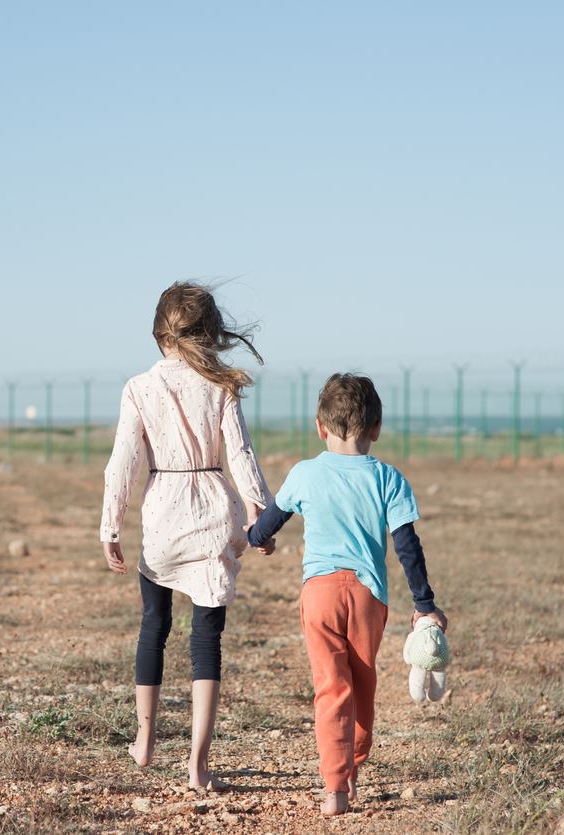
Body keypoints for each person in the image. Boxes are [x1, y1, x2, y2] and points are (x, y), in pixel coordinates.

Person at [246, 372, 448, 816]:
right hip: (367, 596)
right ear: (377, 428)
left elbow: (266, 526)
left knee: (330, 687)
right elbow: (407, 546)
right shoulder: (388, 479)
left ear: (320, 426)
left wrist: (256, 536)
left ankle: (334, 788)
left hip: (318, 594)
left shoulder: (304, 473)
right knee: (362, 682)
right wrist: (424, 604)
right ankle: (353, 770)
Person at [100, 281, 272, 791]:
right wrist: (260, 518)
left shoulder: (138, 387)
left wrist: (111, 525)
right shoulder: (221, 388)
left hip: (162, 515)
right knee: (206, 640)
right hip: (214, 512)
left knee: (154, 624)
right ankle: (198, 762)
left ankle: (145, 739)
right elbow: (241, 455)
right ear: (210, 334)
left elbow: (123, 464)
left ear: (160, 334)